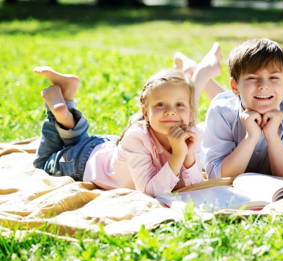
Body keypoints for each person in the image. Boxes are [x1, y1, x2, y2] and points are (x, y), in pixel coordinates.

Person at [32, 44, 221, 197]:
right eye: (161, 105)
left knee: (75, 140)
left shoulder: (191, 135)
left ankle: (67, 104)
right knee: (42, 163)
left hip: (104, 146)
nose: (171, 112)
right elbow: (149, 192)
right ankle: (59, 112)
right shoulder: (137, 137)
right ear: (145, 112)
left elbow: (195, 187)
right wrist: (178, 155)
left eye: (180, 105)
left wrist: (188, 158)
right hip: (82, 163)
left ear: (191, 111)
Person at [200, 38, 283, 179]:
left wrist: (272, 135)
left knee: (234, 99)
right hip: (208, 132)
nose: (263, 85)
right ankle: (201, 74)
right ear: (234, 86)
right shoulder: (220, 111)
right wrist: (250, 137)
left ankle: (201, 74)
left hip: (238, 100)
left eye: (274, 78)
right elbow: (217, 175)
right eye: (252, 78)